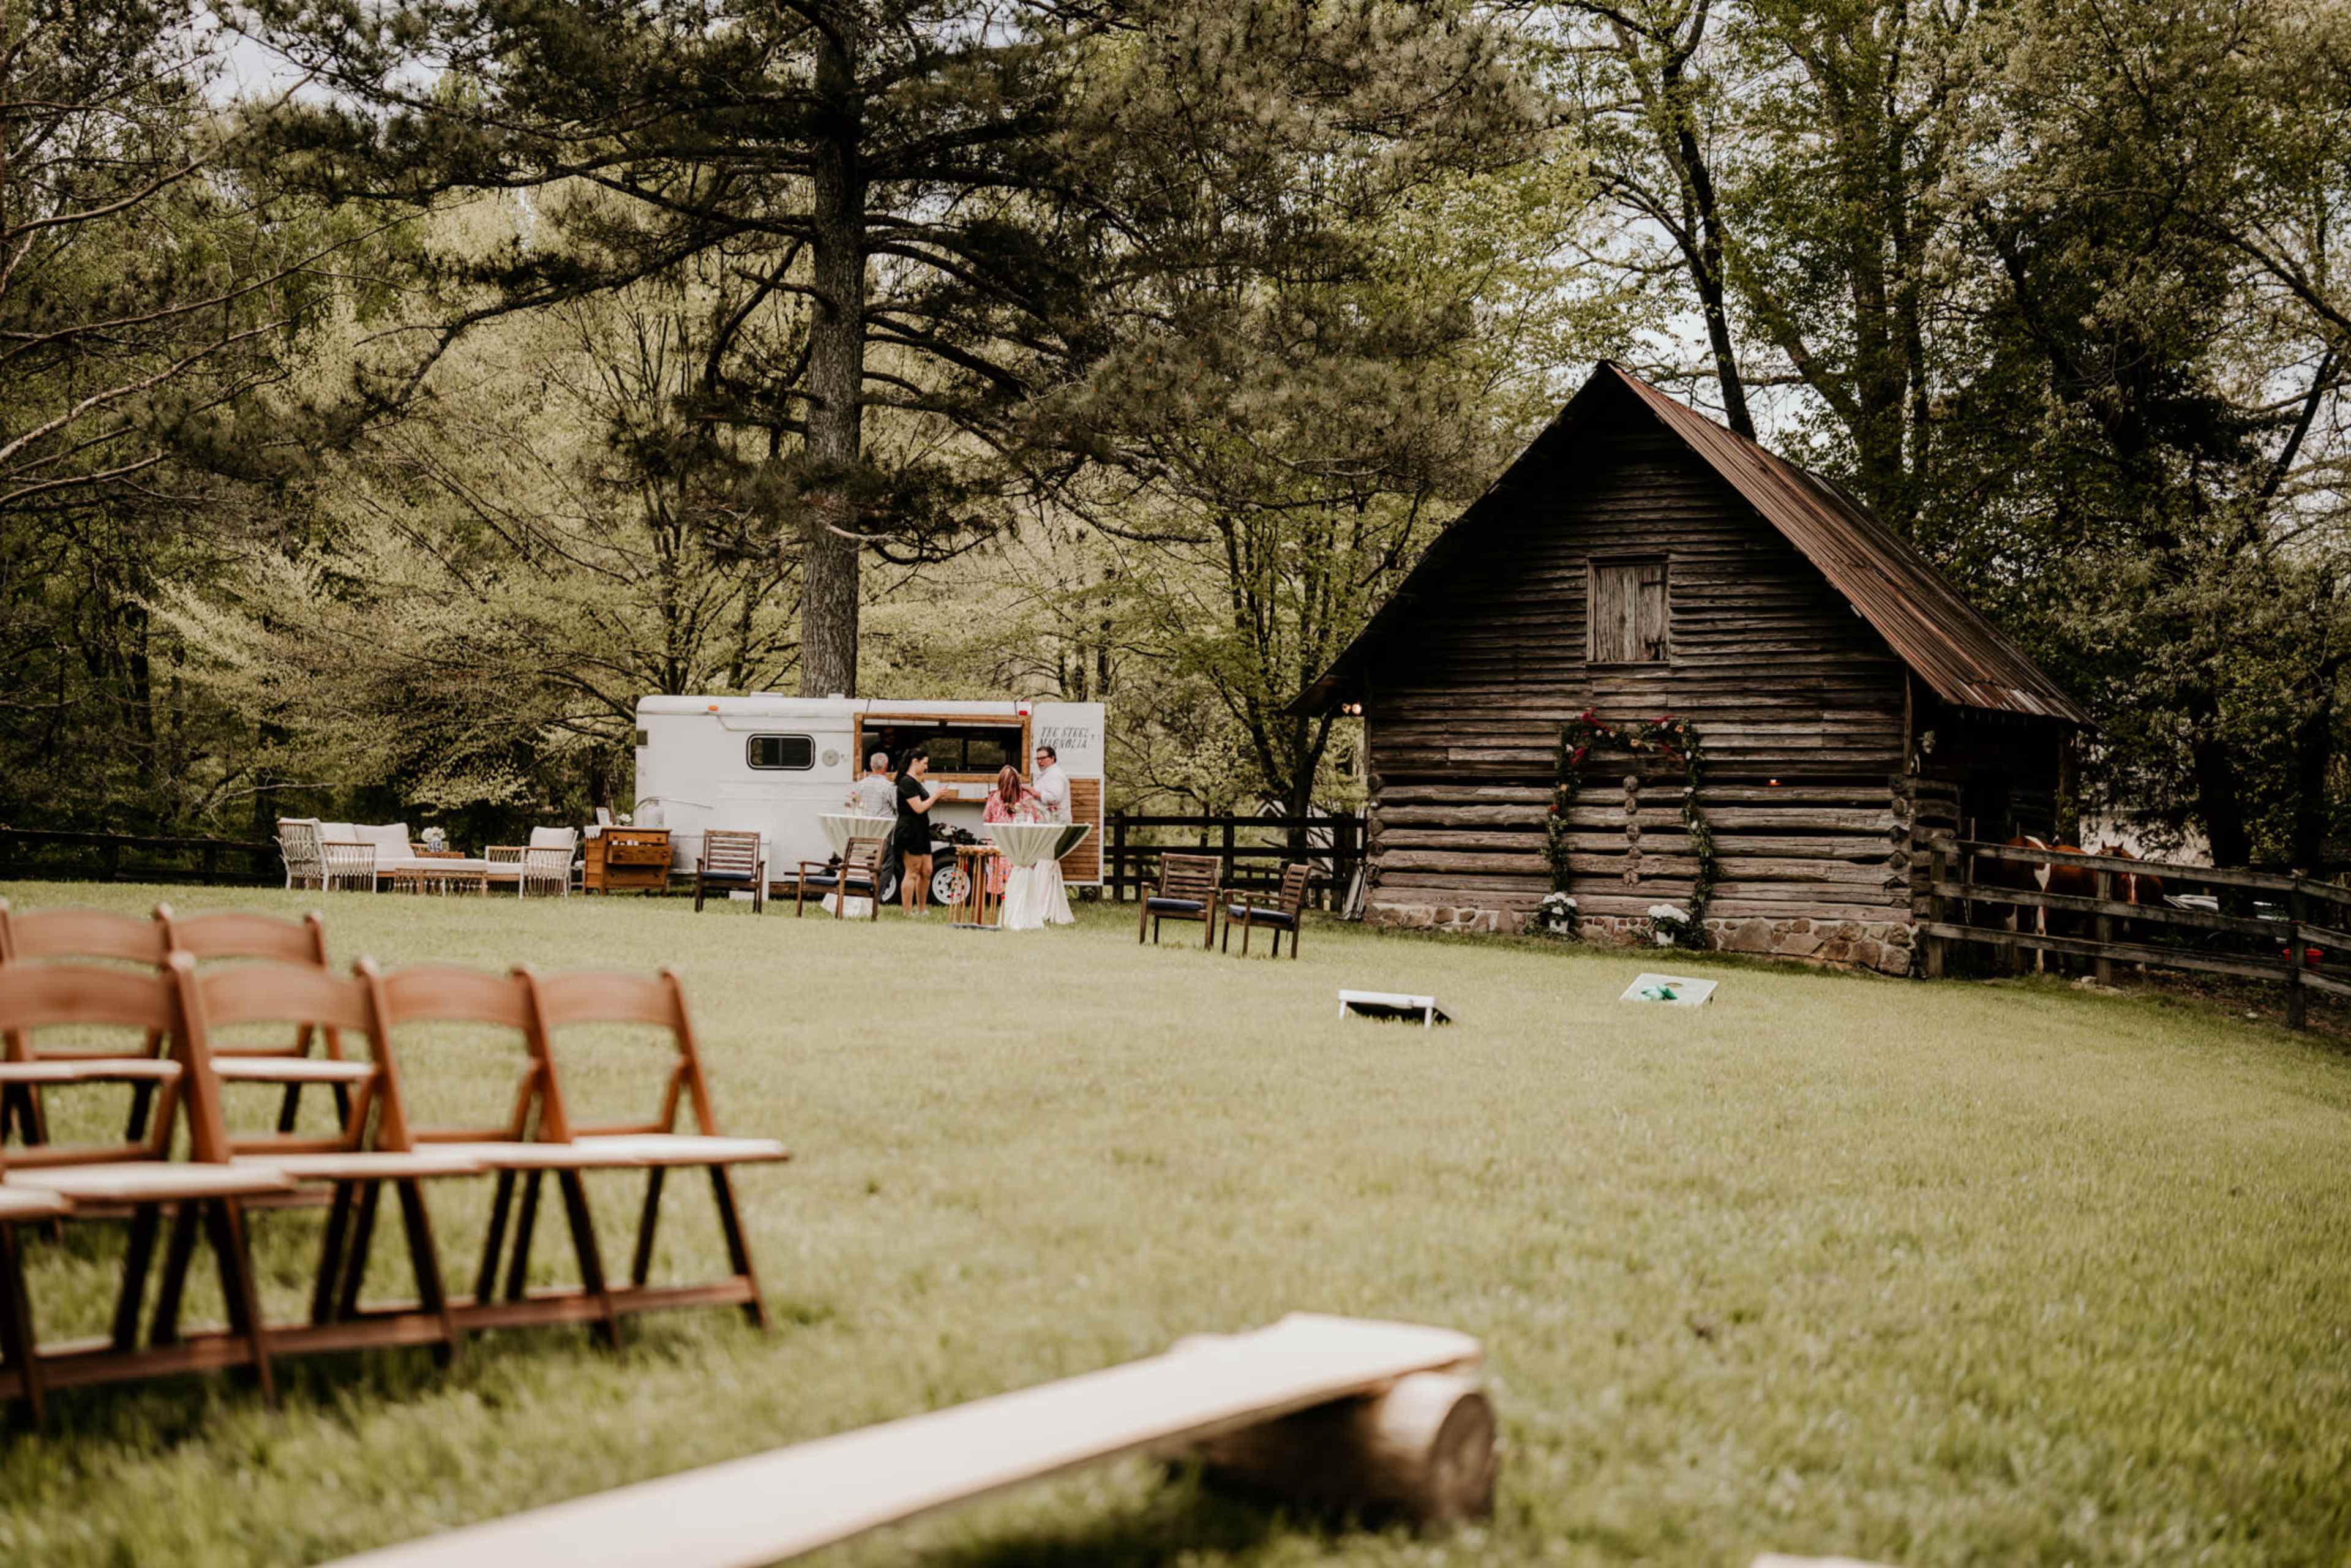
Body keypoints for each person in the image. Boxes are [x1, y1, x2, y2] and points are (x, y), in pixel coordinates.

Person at [894, 745, 940, 915]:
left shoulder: (916, 782)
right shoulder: (906, 782)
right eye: (925, 763)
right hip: (909, 831)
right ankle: (907, 911)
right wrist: (936, 796)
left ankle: (922, 909)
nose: (926, 767)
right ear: (915, 762)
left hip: (921, 830)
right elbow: (919, 808)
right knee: (912, 871)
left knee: (927, 870)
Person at [981, 764, 1038, 896]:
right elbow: (1034, 818)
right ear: (1018, 781)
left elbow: (986, 818)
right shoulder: (1026, 798)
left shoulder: (994, 797)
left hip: (999, 844)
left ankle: (1004, 898)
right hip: (1019, 845)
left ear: (1000, 781)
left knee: (1003, 879)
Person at [846, 751, 896, 817]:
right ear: (886, 766)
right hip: (884, 826)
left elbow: (852, 805)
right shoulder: (890, 787)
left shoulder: (860, 785)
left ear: (871, 765)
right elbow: (898, 808)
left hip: (865, 825)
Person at [1031, 742, 1071, 824]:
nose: (1039, 761)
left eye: (1043, 758)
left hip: (1056, 823)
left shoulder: (1055, 775)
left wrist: (1033, 793)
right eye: (1037, 759)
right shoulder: (1048, 773)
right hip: (1050, 822)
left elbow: (1054, 798)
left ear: (1053, 758)